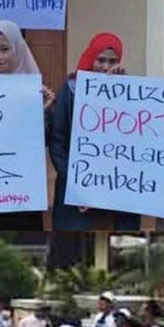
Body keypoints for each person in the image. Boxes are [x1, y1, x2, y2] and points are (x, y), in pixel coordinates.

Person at [46, 33, 133, 230]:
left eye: (112, 61)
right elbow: (57, 142)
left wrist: (124, 91)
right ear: (89, 57)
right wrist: (78, 186)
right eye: (100, 59)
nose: (105, 67)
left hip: (114, 185)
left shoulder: (130, 94)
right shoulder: (69, 91)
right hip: (74, 189)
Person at [0, 20, 55, 230]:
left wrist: (43, 112)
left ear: (18, 50)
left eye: (5, 49)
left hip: (22, 190)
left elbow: (41, 143)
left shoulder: (33, 91)